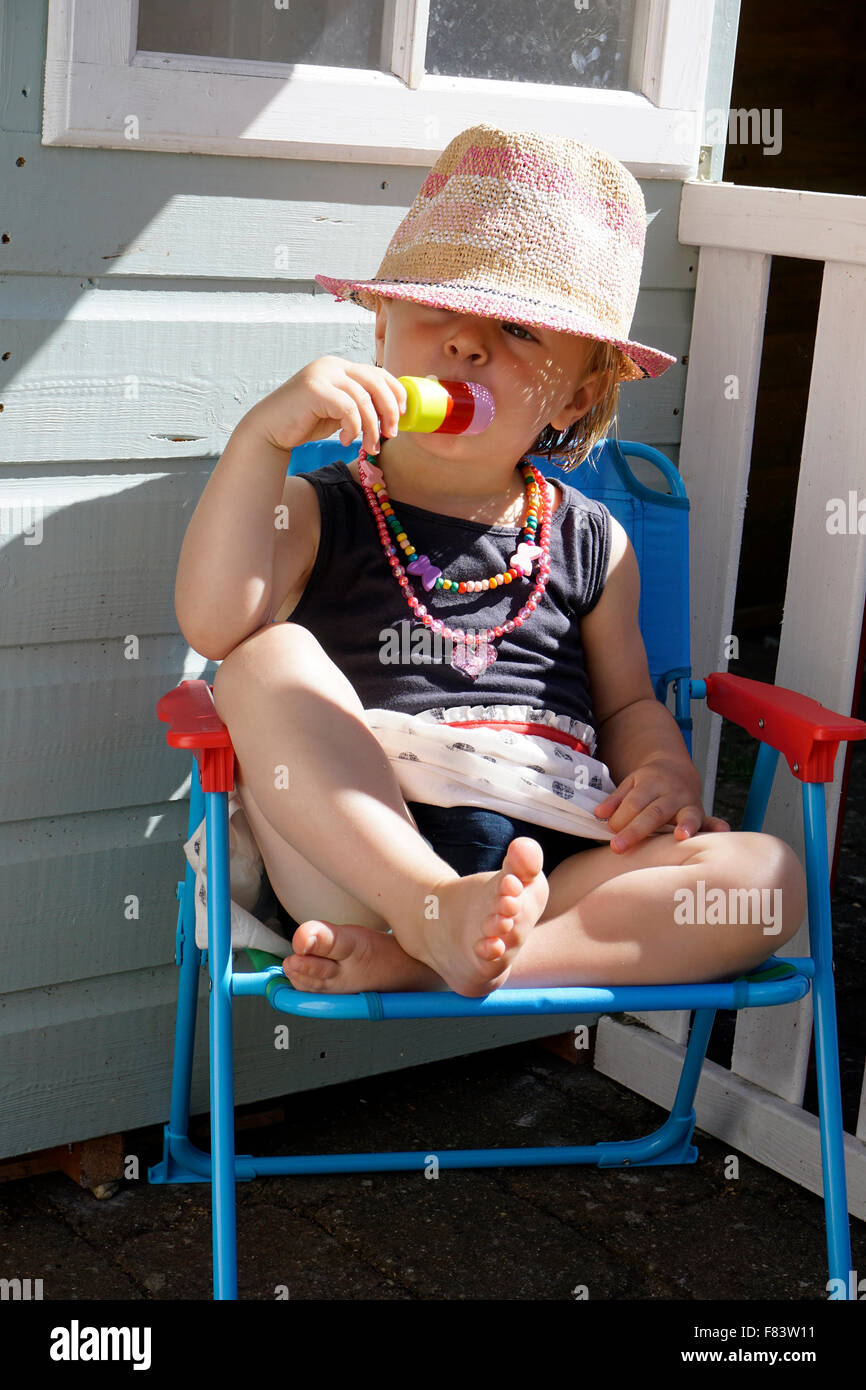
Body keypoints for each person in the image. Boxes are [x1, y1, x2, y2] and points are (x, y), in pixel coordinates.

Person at [175, 124, 807, 1000]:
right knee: (257, 658)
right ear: (383, 329)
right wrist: (260, 441)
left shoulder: (592, 541)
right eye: (437, 309)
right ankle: (430, 914)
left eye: (517, 330)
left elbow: (626, 702)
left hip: (550, 865)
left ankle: (441, 959)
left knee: (764, 881)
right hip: (363, 863)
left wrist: (662, 770)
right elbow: (214, 621)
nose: (468, 345)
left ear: (579, 393)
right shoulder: (323, 508)